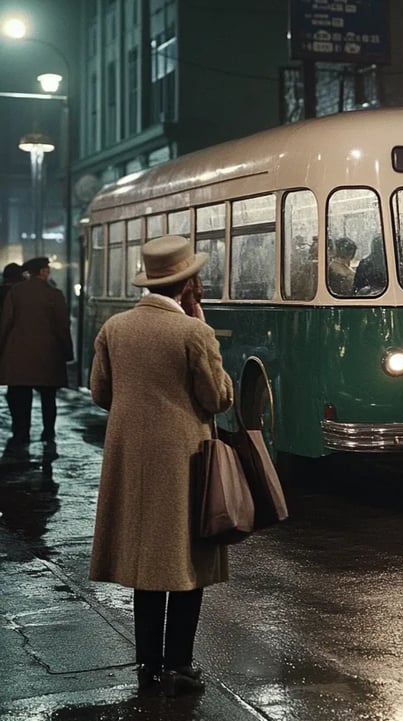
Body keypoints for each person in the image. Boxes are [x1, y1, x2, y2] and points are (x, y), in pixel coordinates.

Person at [88, 235, 234, 696]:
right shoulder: (194, 332)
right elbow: (218, 398)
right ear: (187, 285)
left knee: (146, 562)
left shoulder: (115, 328)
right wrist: (207, 336)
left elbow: (100, 394)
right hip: (182, 458)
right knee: (187, 562)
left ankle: (149, 663)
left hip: (129, 457)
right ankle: (179, 667)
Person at [0, 256, 73, 447]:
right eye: (47, 268)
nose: (49, 271)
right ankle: (48, 432)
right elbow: (63, 325)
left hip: (19, 354)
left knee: (19, 398)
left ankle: (21, 433)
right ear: (42, 272)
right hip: (49, 355)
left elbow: (6, 322)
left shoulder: (16, 292)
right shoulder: (54, 294)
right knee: (48, 398)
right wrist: (67, 351)